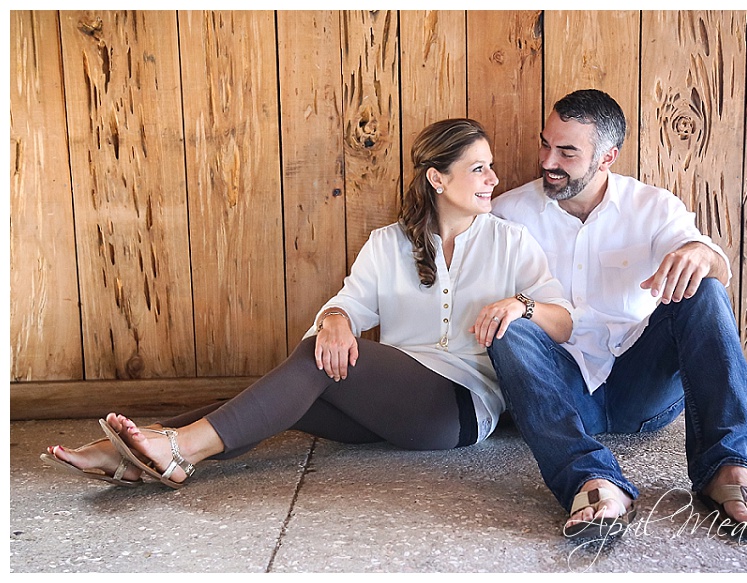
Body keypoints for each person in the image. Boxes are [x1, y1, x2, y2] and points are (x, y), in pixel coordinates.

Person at [41, 118, 574, 490]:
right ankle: (137, 452)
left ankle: (176, 449)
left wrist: (520, 306)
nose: (494, 180)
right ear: (438, 178)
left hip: (457, 411)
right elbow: (350, 303)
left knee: (311, 359)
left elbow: (563, 321)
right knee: (290, 394)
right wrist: (338, 319)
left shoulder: (511, 242)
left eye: (491, 167)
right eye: (479, 168)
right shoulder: (389, 242)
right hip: (391, 406)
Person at [489, 89, 747, 543]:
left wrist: (697, 253)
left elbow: (719, 268)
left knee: (704, 288)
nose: (548, 160)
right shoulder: (509, 213)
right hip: (563, 391)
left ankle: (728, 468)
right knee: (510, 328)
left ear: (608, 157)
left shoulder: (652, 206)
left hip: (642, 388)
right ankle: (595, 481)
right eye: (545, 144)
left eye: (567, 152)